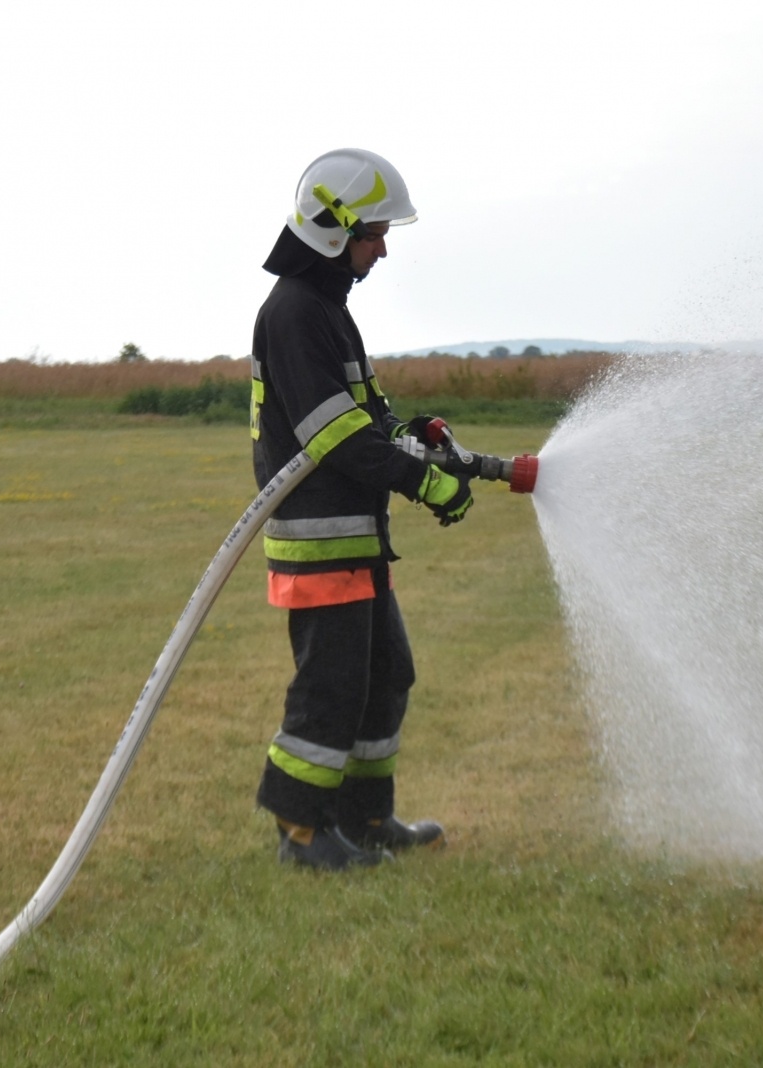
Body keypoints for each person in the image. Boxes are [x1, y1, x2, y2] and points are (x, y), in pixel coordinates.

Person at [248, 148, 473, 870]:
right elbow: (332, 432)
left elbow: (366, 419)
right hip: (321, 539)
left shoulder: (327, 313)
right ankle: (304, 834)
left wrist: (414, 438)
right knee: (332, 686)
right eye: (373, 234)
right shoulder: (292, 314)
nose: (381, 250)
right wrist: (422, 482)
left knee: (386, 674)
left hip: (355, 539)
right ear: (332, 229)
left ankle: (365, 817)